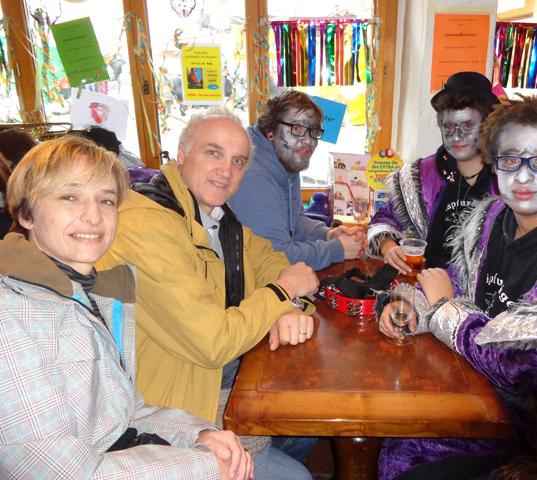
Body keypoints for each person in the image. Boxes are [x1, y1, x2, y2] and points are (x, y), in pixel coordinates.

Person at [377, 94, 537, 479]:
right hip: (486, 405)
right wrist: (412, 307)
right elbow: (456, 284)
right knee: (398, 434)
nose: (523, 176)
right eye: (510, 160)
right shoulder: (493, 218)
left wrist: (443, 310)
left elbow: (522, 363)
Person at [0, 135, 252, 480]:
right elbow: (56, 471)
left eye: (105, 200)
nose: (93, 216)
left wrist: (199, 433)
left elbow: (124, 413)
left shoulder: (94, 293)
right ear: (26, 213)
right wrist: (205, 465)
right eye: (70, 197)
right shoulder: (11, 316)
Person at [97, 108, 319, 479]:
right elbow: (212, 341)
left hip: (220, 373)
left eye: (238, 161)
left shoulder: (215, 217)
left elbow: (269, 259)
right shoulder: (147, 226)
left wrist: (290, 306)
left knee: (305, 423)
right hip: (167, 409)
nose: (226, 171)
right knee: (298, 474)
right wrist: (284, 292)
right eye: (213, 152)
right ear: (182, 154)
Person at [367, 71, 499, 273]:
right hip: (424, 282)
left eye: (467, 126)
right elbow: (383, 220)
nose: (456, 137)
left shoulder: (507, 178)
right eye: (448, 127)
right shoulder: (421, 176)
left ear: (487, 126)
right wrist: (388, 246)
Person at [229, 89, 366, 270]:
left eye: (313, 131)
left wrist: (327, 235)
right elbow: (274, 257)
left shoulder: (285, 159)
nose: (308, 141)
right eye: (297, 129)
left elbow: (294, 220)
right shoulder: (254, 178)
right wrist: (336, 249)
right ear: (270, 130)